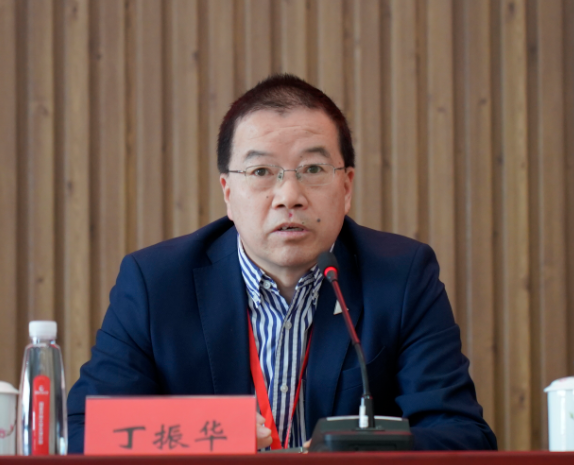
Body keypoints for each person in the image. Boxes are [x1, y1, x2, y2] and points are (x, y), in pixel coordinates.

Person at [67, 74, 497, 452]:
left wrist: (359, 450)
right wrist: (213, 435)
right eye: (261, 172)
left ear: (346, 187)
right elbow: (84, 432)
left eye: (313, 169)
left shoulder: (402, 277)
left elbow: (462, 435)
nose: (289, 196)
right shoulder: (156, 284)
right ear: (228, 192)